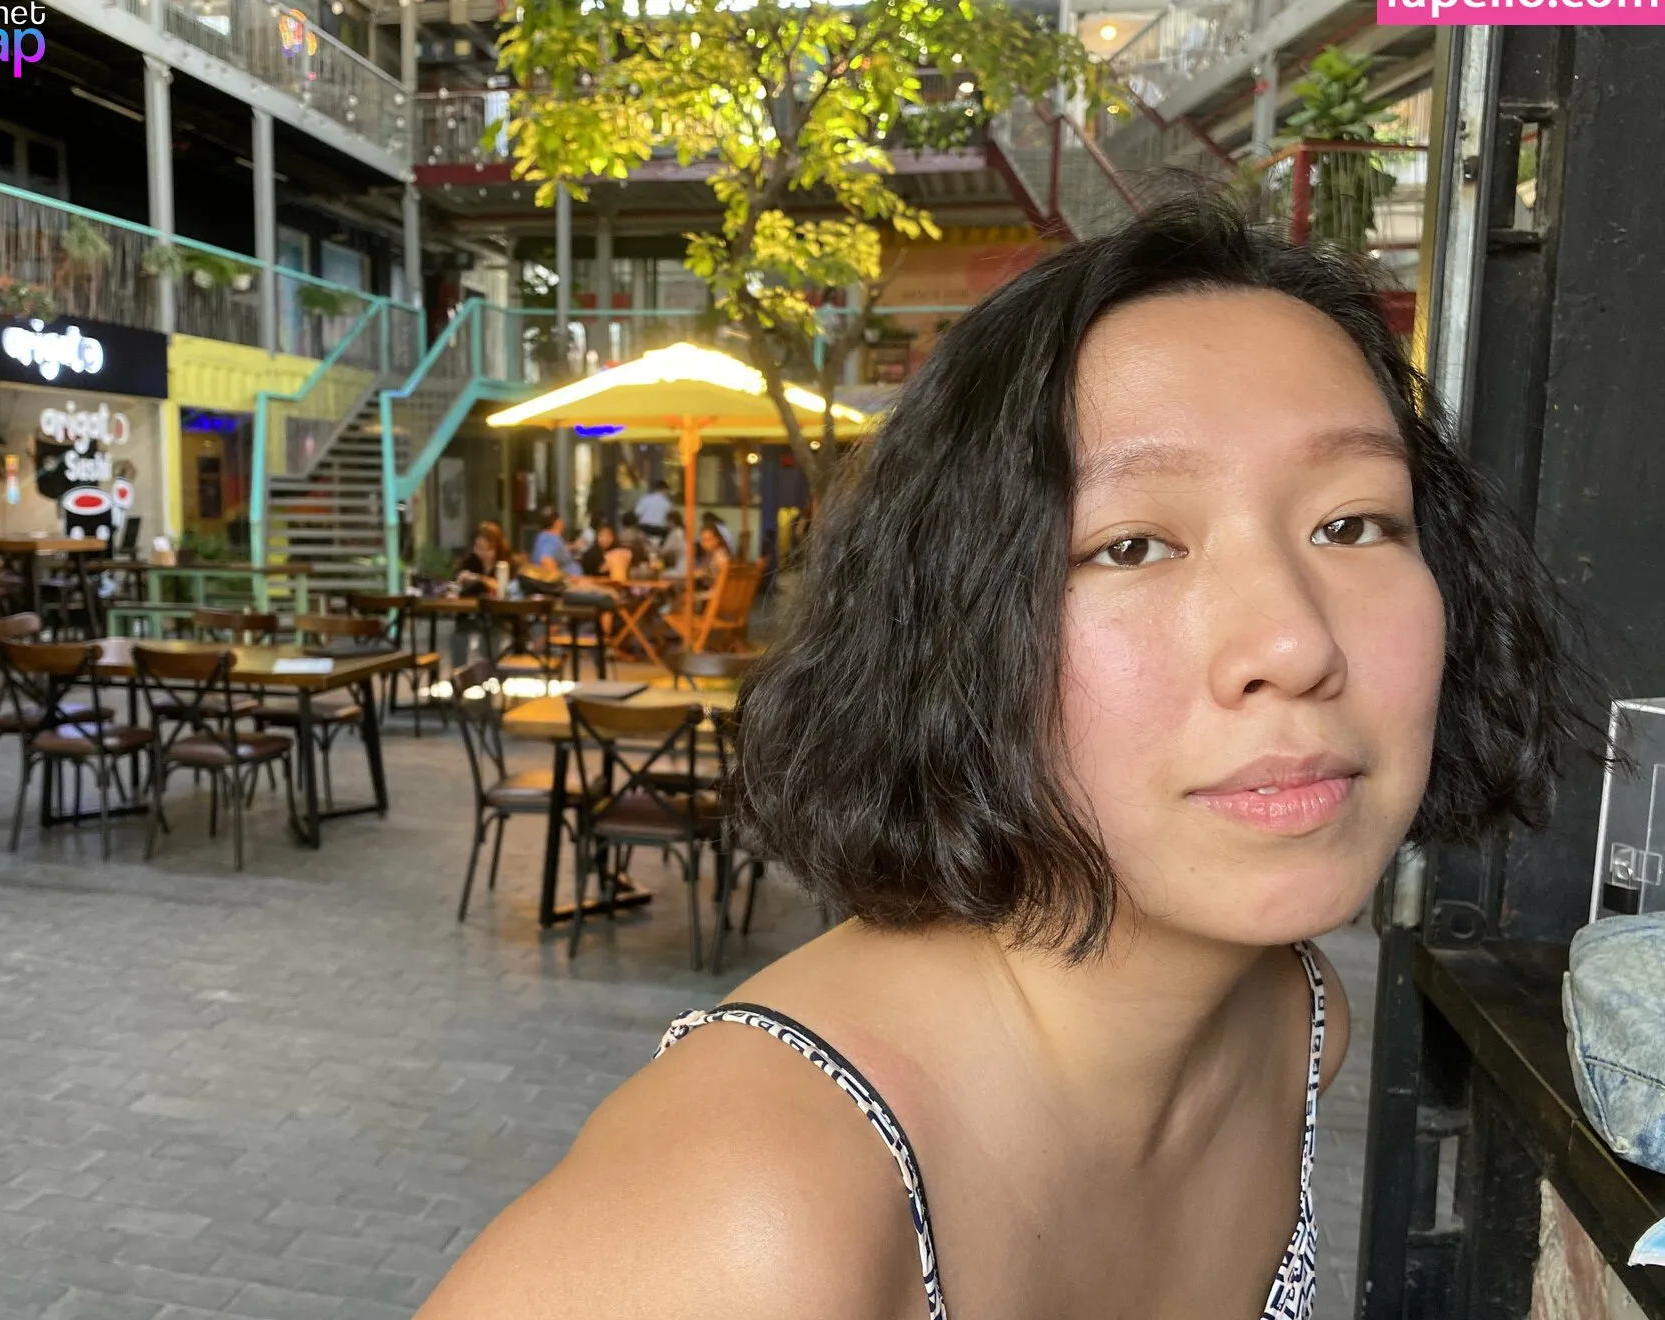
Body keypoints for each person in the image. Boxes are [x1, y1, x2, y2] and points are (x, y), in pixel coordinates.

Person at [412, 199, 1605, 1320]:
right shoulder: (752, 1217)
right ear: (954, 628)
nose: (1295, 644)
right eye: (1132, 545)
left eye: (1352, 523)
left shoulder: (1295, 1026)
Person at [453, 521, 512, 597]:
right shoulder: (470, 561)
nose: (483, 553)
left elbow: (506, 589)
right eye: (479, 547)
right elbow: (455, 586)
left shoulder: (506, 564)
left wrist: (479, 578)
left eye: (489, 549)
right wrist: (460, 581)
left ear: (498, 548)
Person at [528, 508, 578, 578]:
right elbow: (546, 561)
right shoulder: (551, 539)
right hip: (568, 582)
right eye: (560, 519)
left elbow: (555, 550)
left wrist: (573, 546)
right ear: (557, 522)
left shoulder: (543, 536)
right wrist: (564, 580)